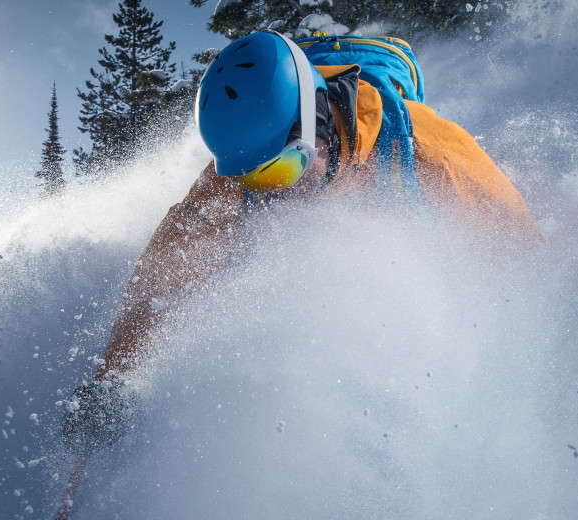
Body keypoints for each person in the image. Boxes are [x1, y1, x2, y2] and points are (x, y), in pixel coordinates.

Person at [61, 30, 539, 454]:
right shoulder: (242, 168)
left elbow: (518, 244)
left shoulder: (425, 152)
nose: (278, 194)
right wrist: (112, 380)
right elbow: (162, 276)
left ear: (319, 123)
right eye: (258, 181)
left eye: (284, 172)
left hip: (380, 80)